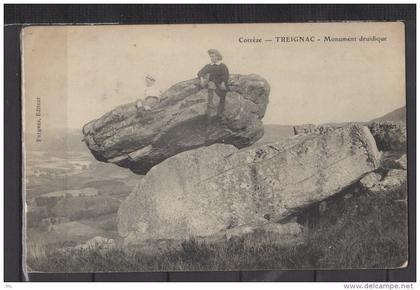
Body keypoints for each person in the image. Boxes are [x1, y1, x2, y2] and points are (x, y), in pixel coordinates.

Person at [197, 49, 229, 116]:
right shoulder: (209, 66)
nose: (211, 58)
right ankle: (210, 106)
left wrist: (223, 83)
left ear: (217, 57)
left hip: (220, 84)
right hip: (212, 83)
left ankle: (219, 112)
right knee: (211, 87)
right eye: (211, 57)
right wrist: (202, 79)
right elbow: (200, 72)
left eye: (213, 56)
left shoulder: (222, 66)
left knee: (222, 95)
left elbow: (225, 75)